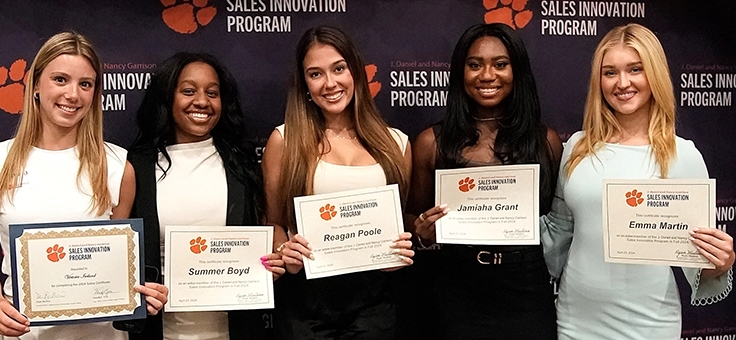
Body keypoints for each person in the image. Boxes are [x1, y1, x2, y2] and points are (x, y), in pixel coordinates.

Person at [0, 32, 166, 339]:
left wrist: (144, 294)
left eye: (85, 84)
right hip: (25, 334)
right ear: (34, 84)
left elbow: (119, 261)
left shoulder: (117, 166)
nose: (73, 94)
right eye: (60, 79)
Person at [541, 23, 734, 339]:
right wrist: (488, 223)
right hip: (576, 320)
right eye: (610, 72)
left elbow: (697, 258)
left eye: (635, 69)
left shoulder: (681, 155)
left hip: (649, 324)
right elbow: (558, 230)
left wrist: (721, 261)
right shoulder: (576, 147)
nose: (622, 83)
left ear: (654, 75)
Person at [403, 23, 561, 339]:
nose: (487, 75)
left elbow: (557, 221)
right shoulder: (431, 143)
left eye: (500, 64)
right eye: (474, 65)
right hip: (455, 288)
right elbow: (410, 218)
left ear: (517, 71)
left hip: (525, 288)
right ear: (461, 73)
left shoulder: (545, 142)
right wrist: (421, 231)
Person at [262, 25, 414, 339]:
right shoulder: (284, 140)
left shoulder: (397, 144)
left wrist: (399, 251)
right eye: (315, 74)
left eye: (339, 69)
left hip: (374, 303)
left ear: (356, 72)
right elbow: (274, 223)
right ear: (304, 83)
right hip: (305, 305)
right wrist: (284, 252)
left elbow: (402, 224)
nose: (330, 84)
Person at [126, 52, 284, 340]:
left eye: (212, 93)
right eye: (188, 91)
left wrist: (273, 263)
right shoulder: (136, 167)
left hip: (235, 331)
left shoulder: (244, 166)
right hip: (158, 332)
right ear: (167, 98)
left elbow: (270, 234)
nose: (202, 101)